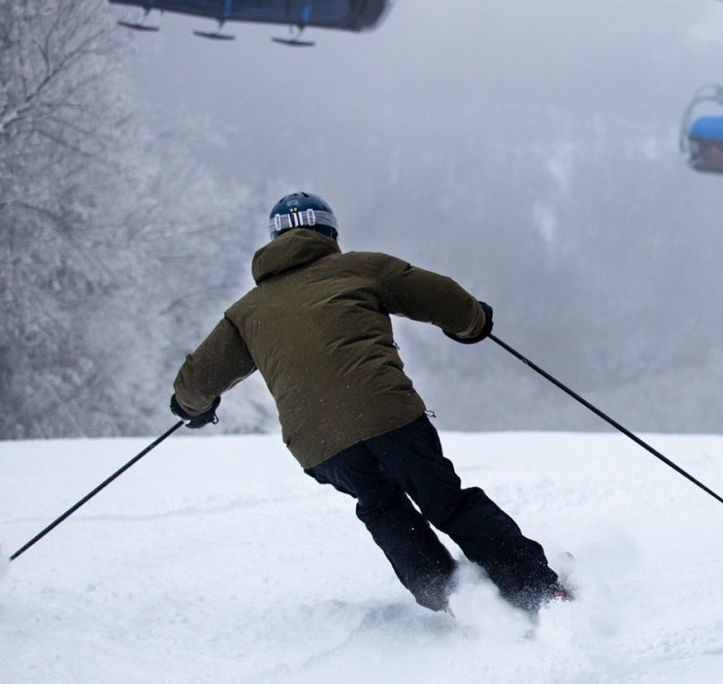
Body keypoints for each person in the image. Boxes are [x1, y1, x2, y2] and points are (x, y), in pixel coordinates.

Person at [169, 192, 571, 616]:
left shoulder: (245, 312)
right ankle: (536, 591)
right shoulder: (360, 268)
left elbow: (197, 379)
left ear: (273, 240)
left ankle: (455, 601)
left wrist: (191, 406)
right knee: (445, 501)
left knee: (383, 507)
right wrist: (473, 323)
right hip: (386, 416)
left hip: (319, 445)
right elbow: (443, 297)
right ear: (328, 233)